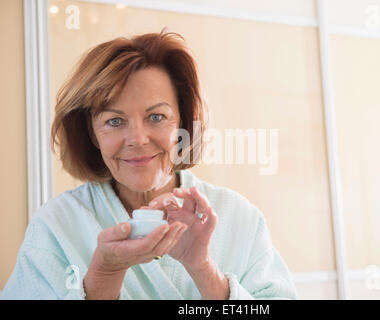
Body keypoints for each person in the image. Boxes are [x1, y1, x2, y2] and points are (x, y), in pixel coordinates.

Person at [1, 30, 297, 300]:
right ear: (92, 133)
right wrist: (104, 275)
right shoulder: (56, 225)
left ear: (182, 122)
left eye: (156, 117)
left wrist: (205, 271)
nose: (138, 139)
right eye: (114, 121)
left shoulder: (239, 217)